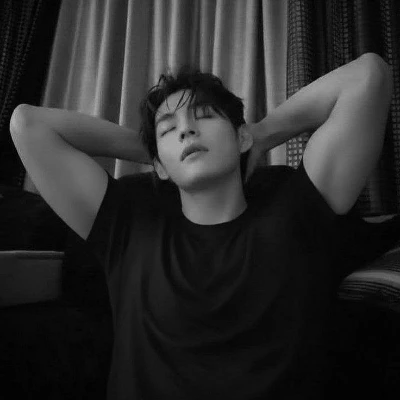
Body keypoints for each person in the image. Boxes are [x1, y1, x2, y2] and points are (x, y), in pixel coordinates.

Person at [10, 52, 396, 399]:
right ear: (157, 167)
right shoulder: (128, 225)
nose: (186, 130)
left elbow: (368, 76)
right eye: (169, 128)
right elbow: (27, 124)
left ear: (240, 136)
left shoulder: (296, 210)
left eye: (205, 116)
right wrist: (158, 152)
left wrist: (261, 135)